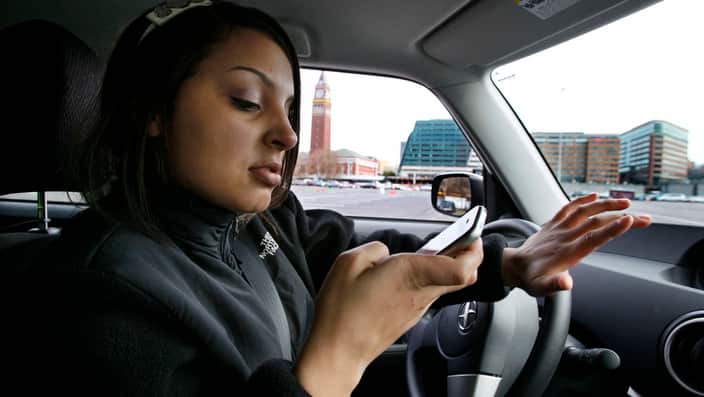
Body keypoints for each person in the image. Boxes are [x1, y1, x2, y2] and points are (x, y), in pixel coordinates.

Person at [17, 1, 651, 396]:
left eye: (291, 109)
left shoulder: (263, 223)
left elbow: (379, 254)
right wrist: (339, 356)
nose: (288, 135)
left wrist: (508, 265)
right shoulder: (96, 295)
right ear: (154, 110)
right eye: (245, 100)